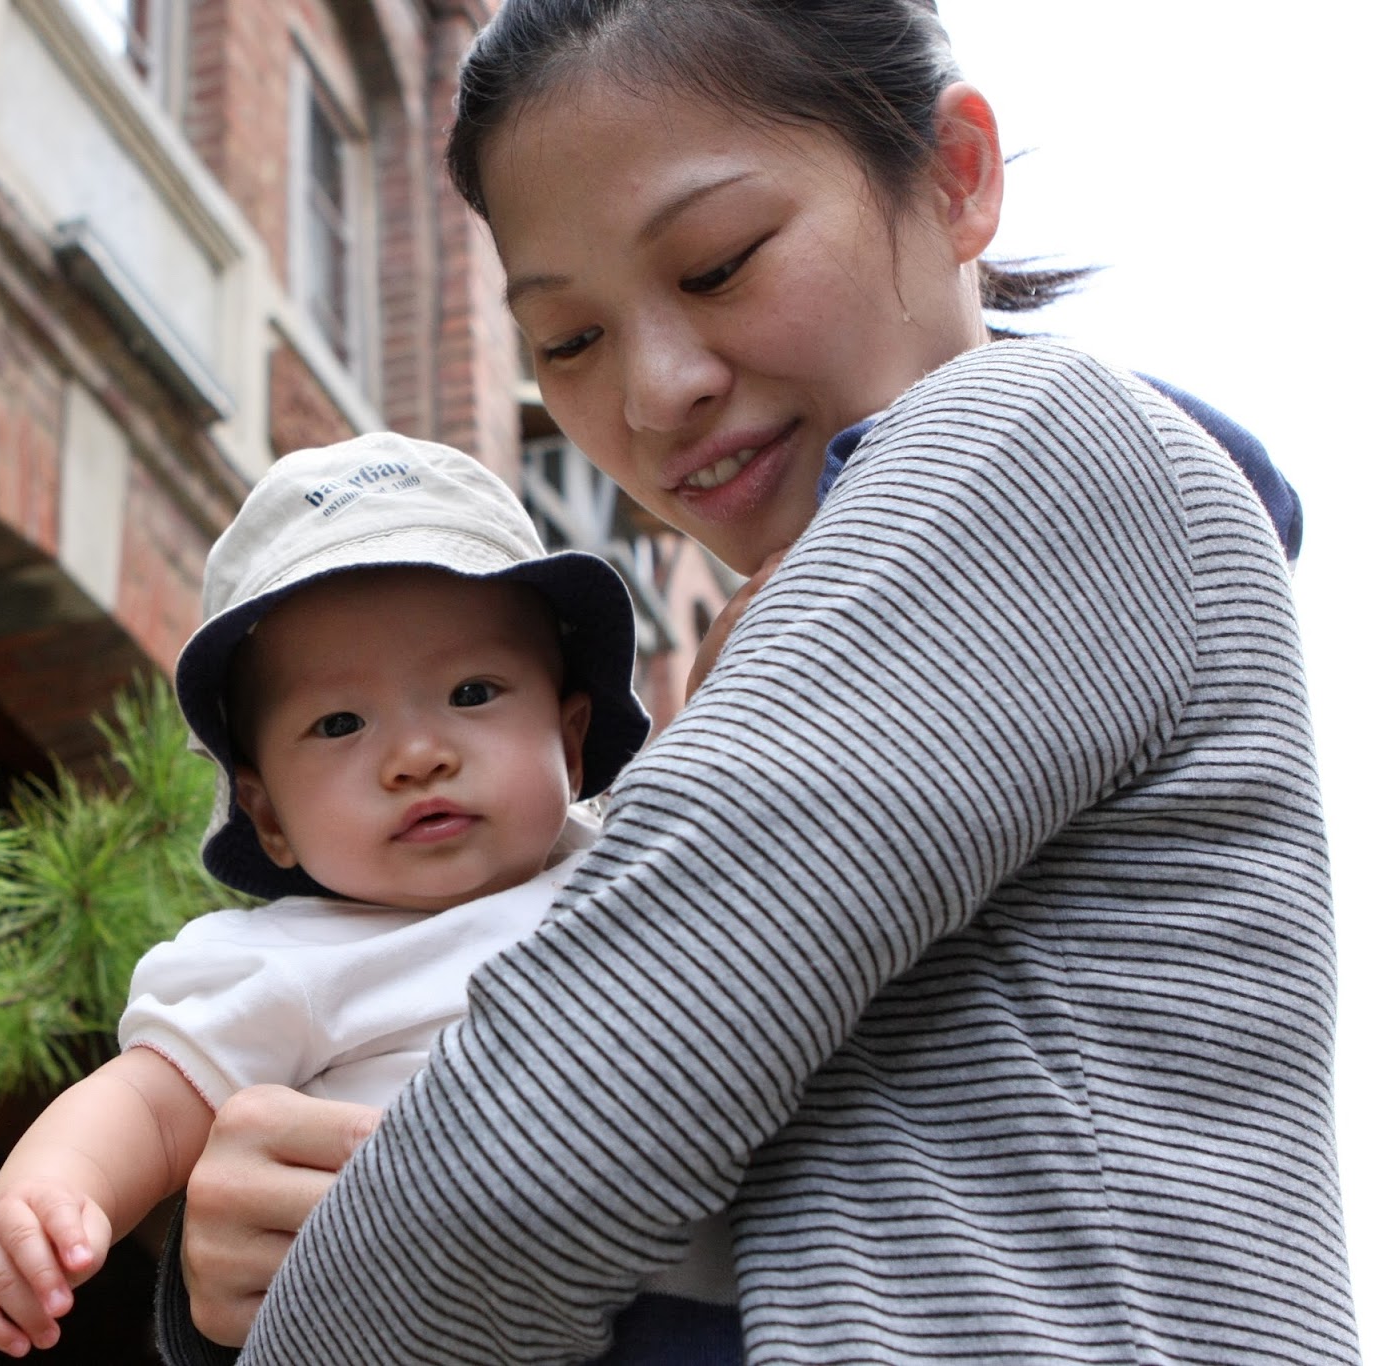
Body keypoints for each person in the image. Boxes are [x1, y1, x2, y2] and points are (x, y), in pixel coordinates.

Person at [155, 1, 1358, 1362]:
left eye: (719, 264)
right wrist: (277, 1229)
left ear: (954, 174)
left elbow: (551, 1137)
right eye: (569, 342)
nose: (654, 390)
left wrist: (299, 1315)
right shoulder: (845, 605)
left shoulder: (1031, 445)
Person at [0, 433, 676, 1356]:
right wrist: (48, 1195)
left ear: (571, 743)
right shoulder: (288, 958)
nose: (418, 754)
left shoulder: (648, 869)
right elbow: (146, 1106)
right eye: (339, 723)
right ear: (267, 815)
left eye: (472, 691)